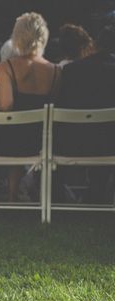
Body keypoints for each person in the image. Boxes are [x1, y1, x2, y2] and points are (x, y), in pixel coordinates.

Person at [0, 12, 61, 202]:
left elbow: (6, 106)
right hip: (44, 139)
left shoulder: (6, 67)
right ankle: (41, 194)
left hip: (12, 140)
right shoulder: (56, 70)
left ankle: (11, 196)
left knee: (10, 133)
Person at [56, 25, 115, 203]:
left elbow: (60, 105)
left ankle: (59, 196)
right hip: (110, 143)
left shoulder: (71, 71)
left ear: (95, 46)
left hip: (73, 143)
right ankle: (97, 194)